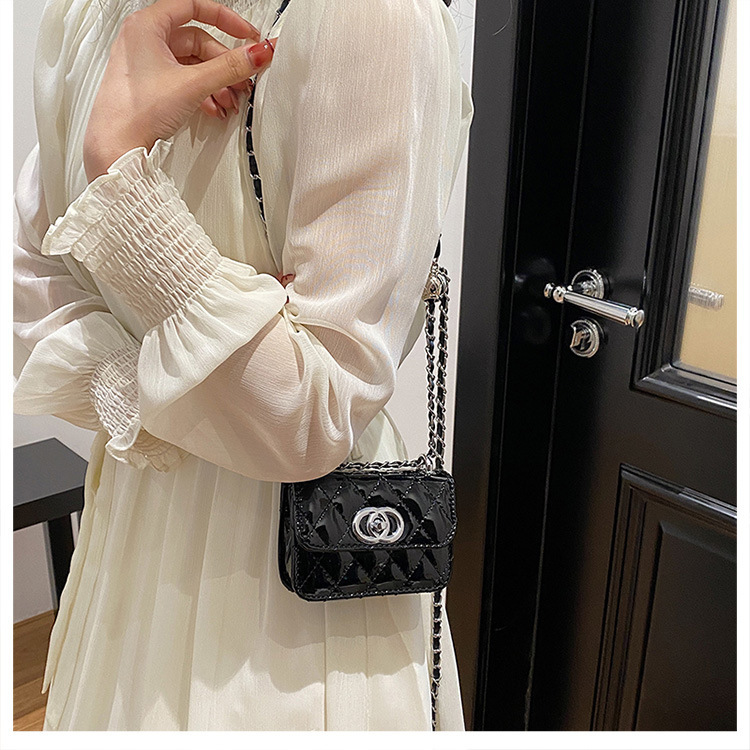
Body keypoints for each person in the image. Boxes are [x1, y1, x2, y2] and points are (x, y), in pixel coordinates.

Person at [13, 0, 474, 731]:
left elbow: (310, 417)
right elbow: (31, 294)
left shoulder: (370, 19)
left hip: (291, 577)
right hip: (131, 542)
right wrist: (225, 347)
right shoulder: (90, 18)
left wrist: (123, 190)